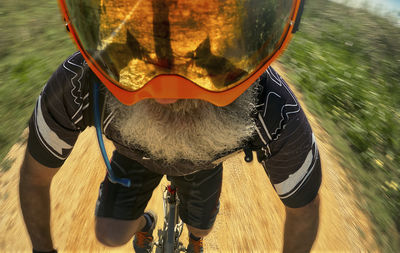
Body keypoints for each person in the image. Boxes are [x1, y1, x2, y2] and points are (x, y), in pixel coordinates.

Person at [19, 0, 321, 252]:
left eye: (206, 46)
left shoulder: (82, 82)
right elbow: (303, 209)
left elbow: (35, 177)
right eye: (140, 43)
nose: (170, 94)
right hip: (204, 161)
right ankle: (191, 238)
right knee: (177, 230)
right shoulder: (270, 104)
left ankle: (155, 227)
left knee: (115, 233)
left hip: (135, 154)